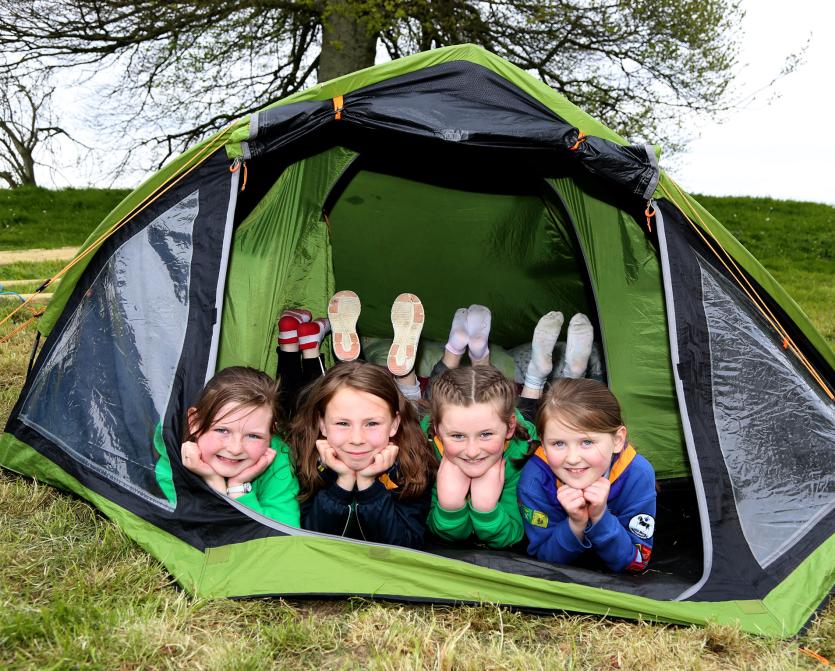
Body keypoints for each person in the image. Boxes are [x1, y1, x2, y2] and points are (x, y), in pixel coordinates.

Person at [424, 305, 537, 549]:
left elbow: (516, 535)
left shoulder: (523, 453)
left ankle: (477, 358)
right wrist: (450, 506)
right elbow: (429, 529)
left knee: (522, 406)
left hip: (512, 424)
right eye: (457, 436)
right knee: (428, 400)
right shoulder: (427, 445)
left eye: (485, 434)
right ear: (438, 431)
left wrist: (486, 509)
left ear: (509, 428)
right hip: (433, 418)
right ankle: (458, 352)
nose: (472, 451)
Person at [516, 375, 656, 572]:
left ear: (617, 440)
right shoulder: (535, 480)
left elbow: (637, 562)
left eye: (587, 442)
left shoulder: (637, 474)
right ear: (544, 444)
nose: (573, 458)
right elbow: (544, 561)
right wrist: (575, 524)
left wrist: (600, 516)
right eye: (558, 443)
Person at [289, 361, 436, 548]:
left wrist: (369, 487)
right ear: (323, 425)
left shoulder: (411, 464)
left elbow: (406, 547)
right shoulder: (306, 459)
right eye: (343, 423)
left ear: (394, 424)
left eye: (372, 424)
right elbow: (311, 544)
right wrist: (342, 485)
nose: (357, 439)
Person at [174, 366, 301, 526]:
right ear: (194, 422)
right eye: (222, 430)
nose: (235, 449)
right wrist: (214, 480)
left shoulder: (277, 457)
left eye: (253, 436)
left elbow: (285, 533)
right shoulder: (169, 445)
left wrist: (236, 488)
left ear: (271, 434)